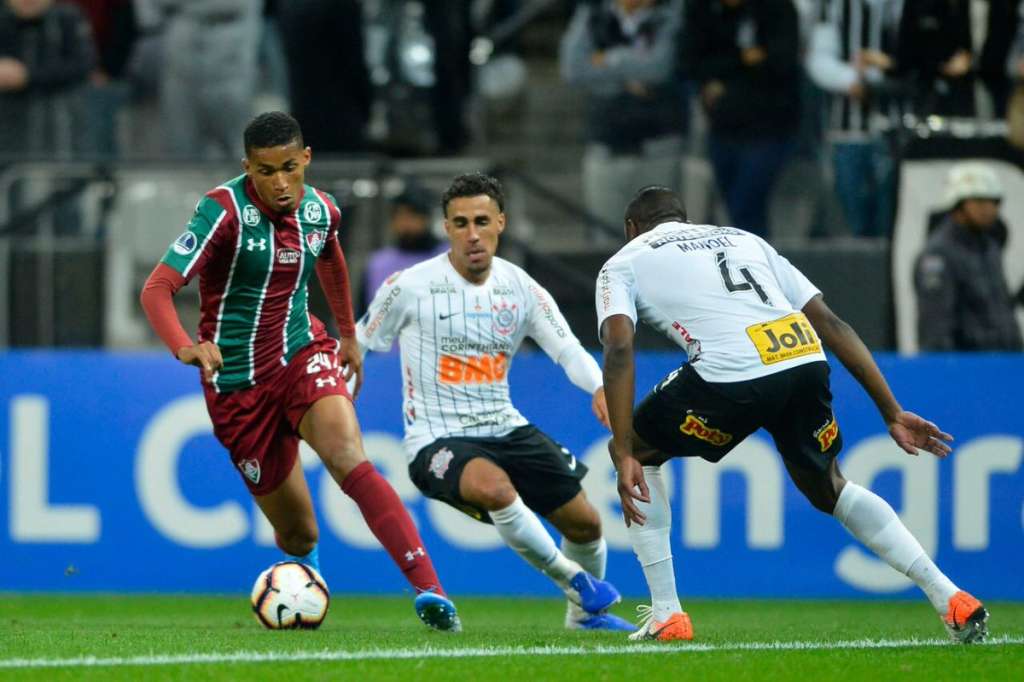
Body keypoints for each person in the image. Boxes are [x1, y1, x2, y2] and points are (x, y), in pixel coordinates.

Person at [597, 186, 988, 643]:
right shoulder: (745, 239)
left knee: (637, 452)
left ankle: (667, 613)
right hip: (803, 358)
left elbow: (619, 346)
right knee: (830, 489)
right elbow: (831, 323)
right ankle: (950, 597)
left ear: (630, 229)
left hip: (731, 372)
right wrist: (892, 410)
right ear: (687, 219)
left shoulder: (623, 261)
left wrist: (623, 449)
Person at [139, 112, 460, 632]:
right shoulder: (221, 211)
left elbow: (329, 256)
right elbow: (156, 288)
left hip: (301, 351)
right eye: (266, 171)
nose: (281, 183)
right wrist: (184, 347)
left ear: (306, 158)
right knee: (299, 536)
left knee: (346, 455)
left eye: (291, 167)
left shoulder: (321, 210)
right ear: (248, 167)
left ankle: (430, 591)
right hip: (237, 386)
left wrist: (349, 335)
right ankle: (303, 580)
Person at [356, 173, 633, 631]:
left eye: (481, 221)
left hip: (505, 426)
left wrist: (600, 386)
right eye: (460, 223)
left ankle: (583, 619)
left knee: (585, 524)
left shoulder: (519, 287)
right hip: (437, 439)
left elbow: (565, 349)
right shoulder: (409, 286)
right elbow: (360, 343)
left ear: (500, 223)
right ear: (446, 228)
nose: (472, 234)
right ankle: (576, 582)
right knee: (497, 489)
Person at [560, 0, 685, 241]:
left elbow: (659, 67)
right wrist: (628, 77)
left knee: (662, 238)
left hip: (658, 145)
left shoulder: (670, 14)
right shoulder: (593, 14)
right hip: (606, 144)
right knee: (605, 240)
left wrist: (606, 60)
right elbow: (572, 68)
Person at [681, 0, 801, 238]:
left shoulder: (777, 8)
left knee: (745, 207)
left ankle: (757, 270)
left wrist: (723, 75)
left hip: (769, 130)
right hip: (722, 129)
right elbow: (689, 63)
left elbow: (782, 60)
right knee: (734, 212)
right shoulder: (701, 9)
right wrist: (743, 61)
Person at [915, 163, 1023, 351]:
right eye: (980, 201)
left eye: (994, 202)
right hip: (967, 369)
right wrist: (948, 370)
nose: (989, 209)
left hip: (1004, 365)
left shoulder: (990, 248)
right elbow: (935, 325)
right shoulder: (938, 255)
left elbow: (1002, 311)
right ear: (958, 205)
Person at [0, 0, 96, 158]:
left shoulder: (66, 18)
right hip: (7, 123)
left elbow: (83, 64)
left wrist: (28, 76)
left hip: (60, 122)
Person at [358, 185, 446, 314]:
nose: (406, 224)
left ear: (426, 218)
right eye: (400, 217)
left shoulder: (449, 258)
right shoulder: (378, 264)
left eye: (412, 216)